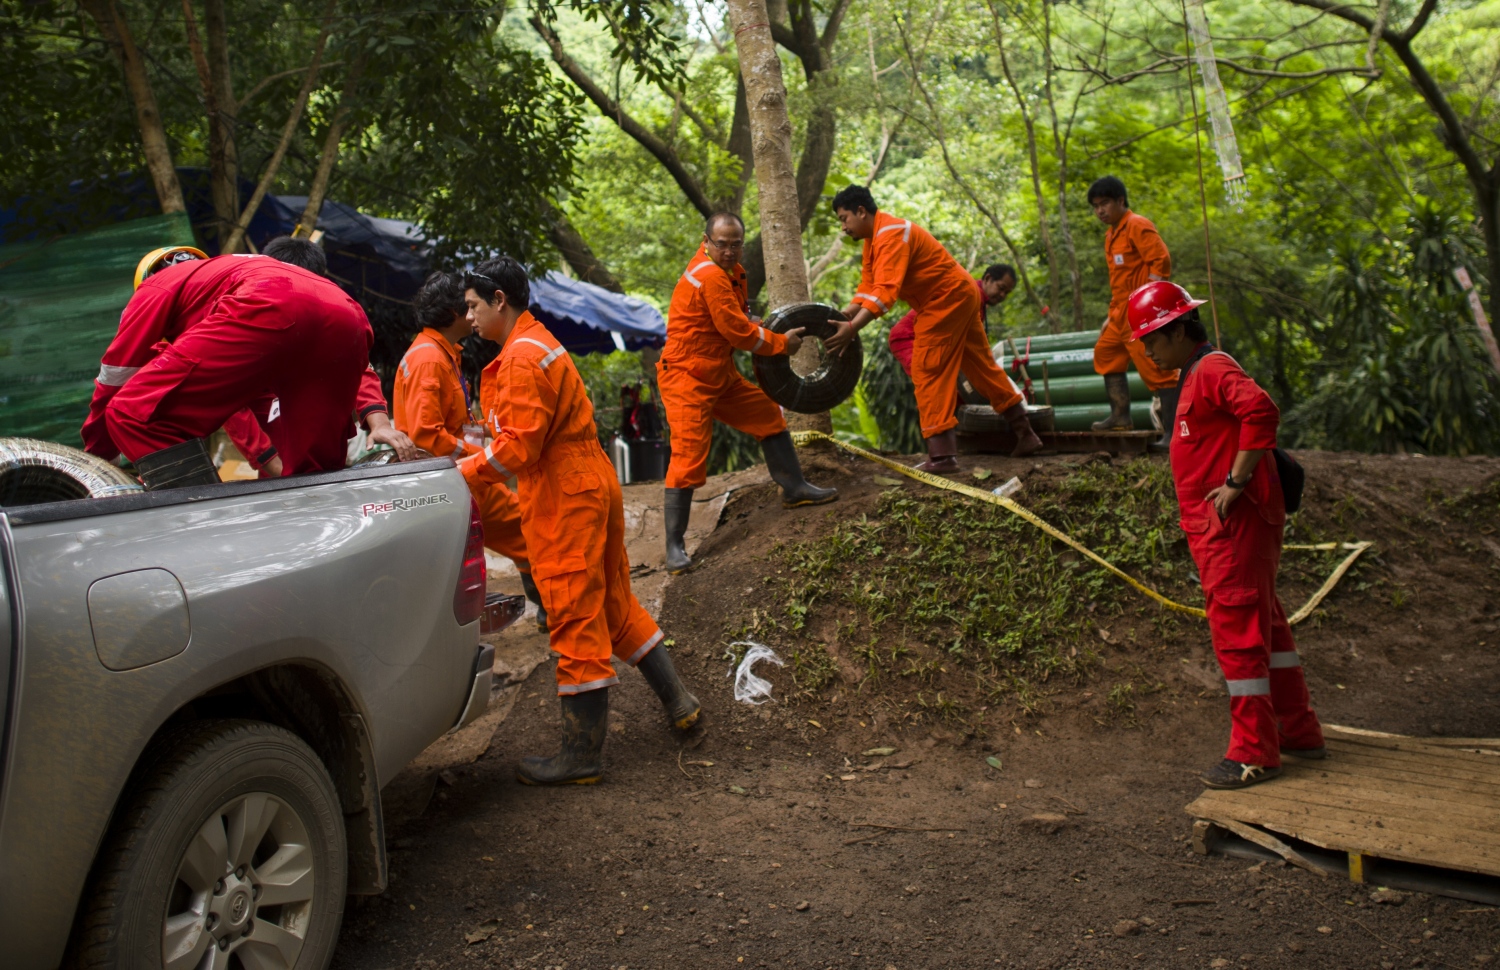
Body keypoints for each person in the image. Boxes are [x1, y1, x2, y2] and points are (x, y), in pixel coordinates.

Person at [459, 257, 700, 785]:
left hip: (564, 491)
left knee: (571, 610)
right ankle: (681, 702)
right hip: (590, 480)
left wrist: (466, 473)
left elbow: (519, 448)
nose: (469, 317)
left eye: (474, 305)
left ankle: (581, 755)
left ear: (500, 299)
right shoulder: (537, 341)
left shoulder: (521, 357)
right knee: (613, 600)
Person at [1130, 280, 1324, 789]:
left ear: (1176, 330)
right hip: (1219, 527)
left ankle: (1255, 751)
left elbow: (1260, 410)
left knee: (1238, 632)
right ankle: (1297, 730)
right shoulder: (1192, 375)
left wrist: (1236, 482)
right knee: (1269, 627)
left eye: (1151, 338)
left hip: (1233, 527)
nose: (1147, 350)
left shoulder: (1212, 367)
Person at [83, 240, 413, 488]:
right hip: (348, 313)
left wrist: (98, 463)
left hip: (269, 304)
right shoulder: (231, 277)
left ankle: (197, 517)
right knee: (316, 476)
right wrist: (378, 420)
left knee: (133, 414)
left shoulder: (157, 287)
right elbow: (358, 369)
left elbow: (115, 379)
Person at [659, 212, 837, 575]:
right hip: (685, 378)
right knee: (689, 457)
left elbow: (739, 319)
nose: (728, 251)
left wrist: (762, 325)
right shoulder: (709, 276)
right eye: (721, 244)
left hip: (717, 373)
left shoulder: (732, 273)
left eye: (735, 244)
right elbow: (737, 333)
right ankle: (674, 548)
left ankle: (794, 488)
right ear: (706, 241)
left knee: (767, 416)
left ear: (742, 243)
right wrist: (779, 343)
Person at [824, 186, 1042, 471]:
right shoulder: (874, 240)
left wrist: (852, 328)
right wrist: (845, 314)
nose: (843, 227)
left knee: (928, 369)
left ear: (861, 211)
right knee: (981, 367)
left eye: (844, 218)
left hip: (945, 300)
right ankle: (1025, 433)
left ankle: (942, 457)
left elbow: (886, 293)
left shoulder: (890, 233)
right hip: (961, 295)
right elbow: (869, 287)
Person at [393, 273, 546, 631]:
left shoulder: (437, 353)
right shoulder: (430, 358)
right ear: (452, 312)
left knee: (518, 530)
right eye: (469, 306)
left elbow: (442, 423)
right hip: (453, 478)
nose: (473, 314)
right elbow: (424, 434)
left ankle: (548, 610)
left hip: (455, 475)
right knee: (525, 528)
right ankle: (554, 610)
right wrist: (480, 452)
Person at [1086, 176, 1178, 449]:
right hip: (1119, 314)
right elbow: (1118, 281)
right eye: (1096, 206)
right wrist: (1111, 315)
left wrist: (1149, 303)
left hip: (1140, 313)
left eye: (1105, 203)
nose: (1100, 210)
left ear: (1120, 201)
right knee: (1106, 353)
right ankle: (1120, 416)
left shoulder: (1137, 224)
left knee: (1158, 369)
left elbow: (1160, 260)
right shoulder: (1111, 235)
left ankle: (1173, 434)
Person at [888, 262, 1017, 375]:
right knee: (932, 383)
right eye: (1001, 288)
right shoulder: (971, 295)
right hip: (909, 338)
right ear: (988, 279)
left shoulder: (979, 300)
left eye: (1006, 293)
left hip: (926, 342)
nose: (1002, 295)